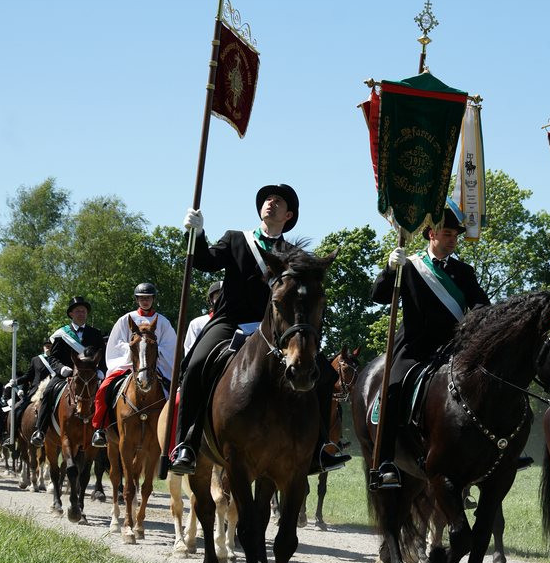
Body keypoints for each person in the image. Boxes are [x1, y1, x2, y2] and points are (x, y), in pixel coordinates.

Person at [171, 184, 350, 476]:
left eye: (278, 201)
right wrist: (197, 234)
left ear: (288, 214)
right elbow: (205, 262)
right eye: (268, 199)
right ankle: (187, 444)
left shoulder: (294, 254)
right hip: (230, 323)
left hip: (278, 330)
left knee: (326, 373)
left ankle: (318, 448)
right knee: (195, 364)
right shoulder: (236, 240)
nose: (271, 203)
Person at [370, 205, 491, 489]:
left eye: (455, 235)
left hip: (455, 349)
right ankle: (386, 461)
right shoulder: (410, 266)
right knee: (393, 387)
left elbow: (482, 307)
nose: (453, 239)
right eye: (447, 234)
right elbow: (378, 296)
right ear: (431, 234)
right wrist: (390, 269)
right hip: (414, 348)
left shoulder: (464, 272)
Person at [91, 282, 177, 448]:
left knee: (175, 394)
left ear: (153, 299)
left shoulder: (163, 322)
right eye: (142, 298)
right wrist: (136, 349)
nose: (145, 301)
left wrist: (153, 351)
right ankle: (100, 428)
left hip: (157, 367)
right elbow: (116, 344)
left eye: (148, 298)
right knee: (103, 389)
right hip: (129, 365)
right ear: (137, 299)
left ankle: (173, 435)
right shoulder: (125, 320)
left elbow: (170, 346)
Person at [30, 296, 106, 445]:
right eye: (78, 311)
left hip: (90, 375)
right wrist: (62, 369)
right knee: (48, 392)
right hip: (66, 374)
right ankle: (40, 430)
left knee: (105, 394)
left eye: (83, 311)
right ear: (71, 314)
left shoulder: (96, 333)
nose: (81, 314)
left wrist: (101, 371)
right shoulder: (62, 334)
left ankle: (100, 431)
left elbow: (103, 356)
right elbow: (53, 358)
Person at [6, 340, 56, 429]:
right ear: (43, 347)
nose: (48, 347)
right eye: (46, 346)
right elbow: (28, 375)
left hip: (54, 388)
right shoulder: (36, 359)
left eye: (50, 346)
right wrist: (16, 381)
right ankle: (13, 434)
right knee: (17, 409)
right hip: (37, 390)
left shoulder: (58, 359)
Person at [182, 281, 223, 355]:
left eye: (225, 295)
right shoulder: (196, 324)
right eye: (218, 295)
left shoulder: (239, 322)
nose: (222, 298)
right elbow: (190, 351)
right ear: (211, 300)